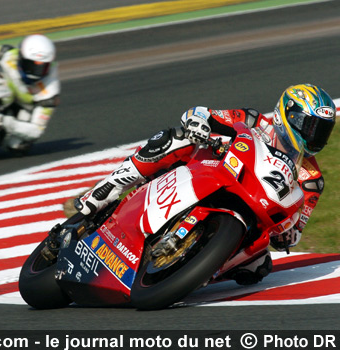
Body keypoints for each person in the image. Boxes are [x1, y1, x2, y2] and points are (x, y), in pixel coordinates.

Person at [74, 83, 336, 285]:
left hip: (252, 207)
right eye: (310, 126)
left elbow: (296, 227)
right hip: (204, 173)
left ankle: (194, 270)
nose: (315, 136)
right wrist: (199, 124)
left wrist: (290, 234)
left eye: (322, 130)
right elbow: (202, 113)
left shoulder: (312, 179)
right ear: (286, 115)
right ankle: (107, 188)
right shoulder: (253, 121)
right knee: (177, 138)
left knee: (259, 267)